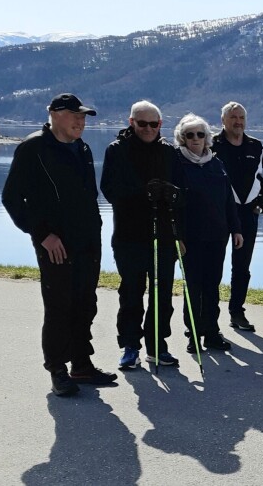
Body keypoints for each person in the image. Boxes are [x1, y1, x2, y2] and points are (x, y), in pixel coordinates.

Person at [2, 93, 117, 396]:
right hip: (55, 243)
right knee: (59, 307)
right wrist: (42, 235)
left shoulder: (83, 147)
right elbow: (12, 198)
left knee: (85, 303)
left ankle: (81, 364)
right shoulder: (33, 148)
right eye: (74, 115)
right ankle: (57, 370)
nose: (81, 121)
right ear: (53, 114)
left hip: (88, 241)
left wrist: (96, 228)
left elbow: (87, 195)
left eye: (83, 117)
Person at [101, 100, 185, 369]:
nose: (148, 128)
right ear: (131, 123)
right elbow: (109, 191)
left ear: (160, 125)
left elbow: (182, 194)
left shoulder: (170, 152)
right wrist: (142, 193)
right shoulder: (117, 150)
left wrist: (172, 195)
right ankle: (130, 346)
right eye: (142, 123)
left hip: (163, 235)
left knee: (162, 295)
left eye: (154, 124)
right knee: (132, 293)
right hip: (129, 235)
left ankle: (157, 345)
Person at [174, 113, 243, 354]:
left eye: (200, 134)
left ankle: (212, 332)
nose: (195, 139)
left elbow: (228, 200)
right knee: (192, 286)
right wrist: (177, 235)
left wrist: (236, 229)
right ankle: (193, 333)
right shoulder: (176, 164)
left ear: (207, 138)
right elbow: (172, 206)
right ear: (182, 139)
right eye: (189, 135)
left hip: (217, 236)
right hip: (190, 239)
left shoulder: (217, 164)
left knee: (212, 286)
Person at [211, 101, 263, 333]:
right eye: (233, 117)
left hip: (247, 214)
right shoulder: (212, 145)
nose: (238, 121)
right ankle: (209, 317)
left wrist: (260, 206)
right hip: (217, 215)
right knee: (213, 266)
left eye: (241, 118)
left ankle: (237, 312)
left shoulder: (256, 147)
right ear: (223, 121)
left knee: (242, 267)